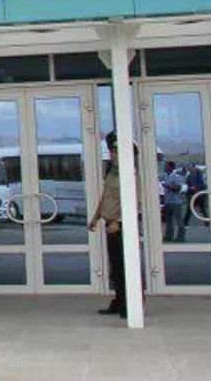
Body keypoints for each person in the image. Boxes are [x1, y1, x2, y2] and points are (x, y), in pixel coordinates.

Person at [88, 131, 128, 320]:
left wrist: (119, 221)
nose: (111, 155)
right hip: (110, 223)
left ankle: (130, 303)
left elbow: (132, 201)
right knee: (116, 267)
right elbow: (105, 198)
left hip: (120, 225)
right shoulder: (111, 172)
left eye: (114, 151)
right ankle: (119, 301)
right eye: (110, 151)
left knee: (125, 266)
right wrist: (95, 217)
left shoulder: (129, 173)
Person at [160, 161, 188, 242]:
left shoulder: (177, 177)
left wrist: (167, 186)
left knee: (179, 220)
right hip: (167, 201)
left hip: (176, 201)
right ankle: (169, 236)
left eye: (166, 166)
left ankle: (181, 236)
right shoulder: (165, 177)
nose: (165, 167)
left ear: (170, 167)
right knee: (168, 220)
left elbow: (178, 188)